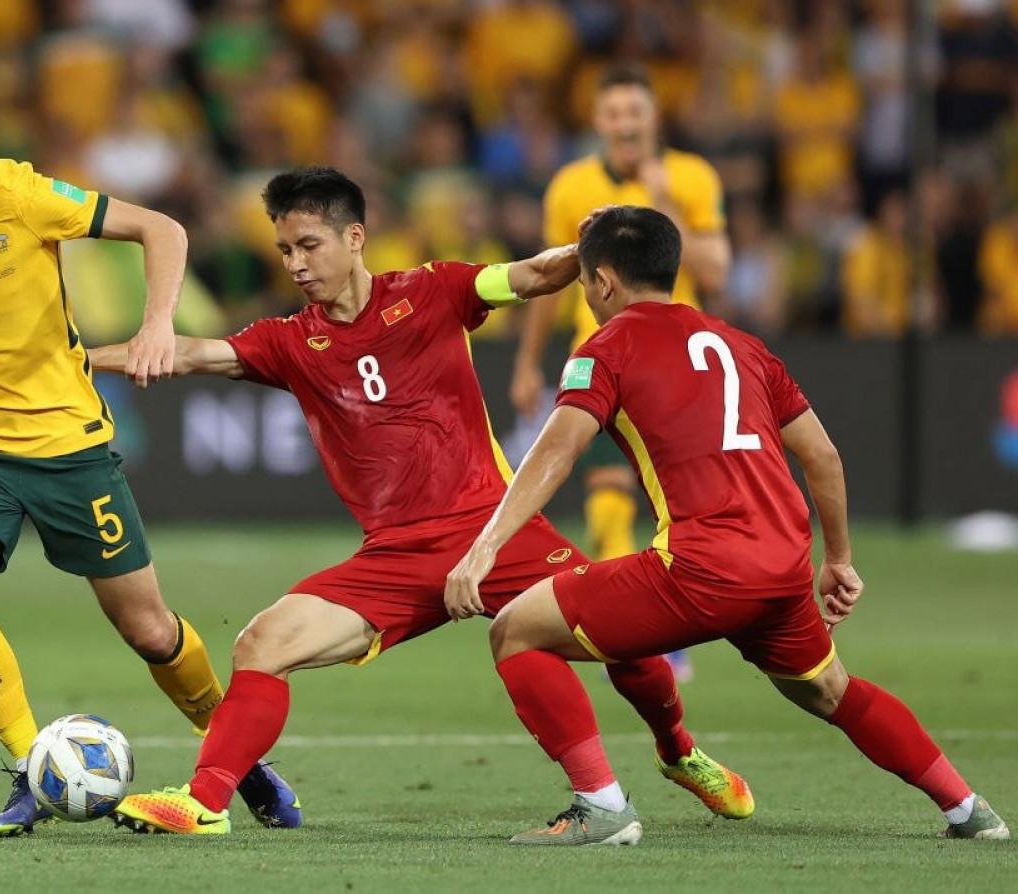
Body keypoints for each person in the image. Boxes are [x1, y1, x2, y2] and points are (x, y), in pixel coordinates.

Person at [89, 167, 752, 836]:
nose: (296, 264)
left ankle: (679, 752)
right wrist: (82, 358)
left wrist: (585, 247)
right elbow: (192, 356)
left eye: (309, 245)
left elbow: (527, 276)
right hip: (397, 559)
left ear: (355, 237)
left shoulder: (435, 289)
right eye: (285, 250)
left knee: (622, 641)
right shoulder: (291, 342)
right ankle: (204, 802)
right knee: (262, 642)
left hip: (494, 530)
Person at [0, 89, 299, 837]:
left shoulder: (22, 194)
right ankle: (30, 768)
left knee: (150, 631)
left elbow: (161, 228)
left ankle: (242, 764)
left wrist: (157, 324)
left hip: (71, 447)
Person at [446, 205, 1010, 845]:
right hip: (783, 565)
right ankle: (968, 809)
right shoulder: (742, 345)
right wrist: (840, 560)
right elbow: (822, 455)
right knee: (829, 688)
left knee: (517, 629)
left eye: (585, 282)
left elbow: (556, 450)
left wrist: (485, 547)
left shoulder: (604, 348)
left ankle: (600, 806)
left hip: (699, 570)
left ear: (602, 282)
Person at [510, 65, 732, 682]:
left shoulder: (691, 176)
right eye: (614, 113)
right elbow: (550, 280)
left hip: (678, 361)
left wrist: (662, 205)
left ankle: (658, 622)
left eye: (635, 111)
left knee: (675, 497)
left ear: (653, 116)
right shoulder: (569, 186)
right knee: (608, 488)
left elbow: (715, 271)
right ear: (599, 121)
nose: (626, 124)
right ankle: (635, 632)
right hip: (603, 352)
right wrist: (529, 362)